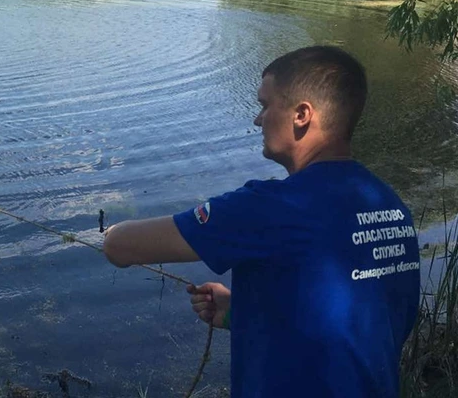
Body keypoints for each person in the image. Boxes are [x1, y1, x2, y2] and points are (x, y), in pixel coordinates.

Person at [102, 45, 420, 397]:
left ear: (302, 114)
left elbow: (120, 247)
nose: (258, 119)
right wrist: (241, 312)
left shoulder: (270, 207)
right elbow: (359, 328)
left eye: (265, 105)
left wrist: (110, 230)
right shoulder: (391, 207)